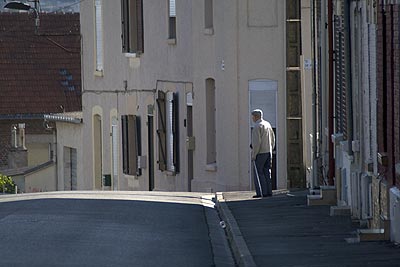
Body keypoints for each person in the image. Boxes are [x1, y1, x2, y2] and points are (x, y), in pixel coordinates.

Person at [251, 109, 275, 198]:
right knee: (267, 172)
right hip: (268, 151)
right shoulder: (267, 124)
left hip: (260, 152)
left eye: (253, 116)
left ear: (256, 116)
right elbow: (273, 139)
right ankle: (269, 191)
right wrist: (271, 149)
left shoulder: (257, 126)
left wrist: (254, 154)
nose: (252, 118)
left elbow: (257, 142)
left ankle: (261, 192)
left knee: (258, 172)